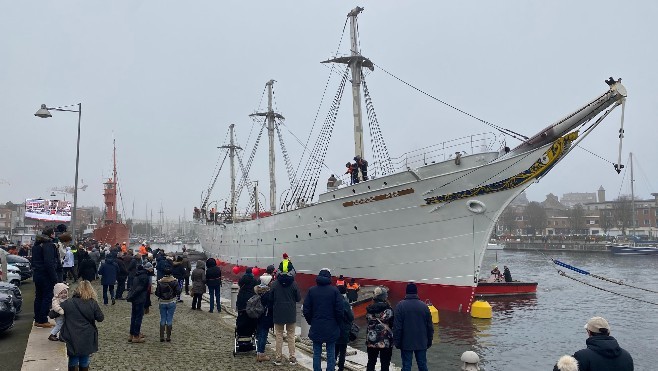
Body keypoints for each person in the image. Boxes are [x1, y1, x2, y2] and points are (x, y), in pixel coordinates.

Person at [303, 268, 343, 371]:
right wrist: (338, 323)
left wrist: (311, 321)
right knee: (331, 352)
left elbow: (306, 310)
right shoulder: (335, 291)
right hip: (331, 326)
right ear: (329, 278)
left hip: (316, 325)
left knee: (316, 352)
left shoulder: (312, 290)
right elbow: (339, 310)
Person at [59, 280, 104, 371]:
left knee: (73, 358)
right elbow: (100, 318)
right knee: (84, 358)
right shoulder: (92, 303)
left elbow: (52, 314)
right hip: (87, 335)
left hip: (71, 334)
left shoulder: (68, 303)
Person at [393, 282, 434, 371]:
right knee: (422, 365)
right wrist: (429, 341)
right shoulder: (424, 306)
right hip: (421, 341)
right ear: (416, 292)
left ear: (406, 292)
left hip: (406, 342)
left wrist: (397, 342)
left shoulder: (400, 306)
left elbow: (397, 327)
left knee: (406, 366)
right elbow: (430, 326)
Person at [270, 272, 301, 366]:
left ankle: (278, 358)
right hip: (290, 313)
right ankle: (292, 358)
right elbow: (298, 298)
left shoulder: (274, 284)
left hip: (278, 312)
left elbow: (271, 298)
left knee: (279, 335)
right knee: (291, 335)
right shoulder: (294, 283)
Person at [31, 228, 60, 328]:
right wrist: (54, 277)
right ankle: (43, 319)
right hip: (46, 275)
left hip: (37, 274)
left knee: (39, 297)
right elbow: (49, 263)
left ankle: (37, 319)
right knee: (47, 297)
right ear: (51, 234)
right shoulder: (48, 245)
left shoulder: (36, 245)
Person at [366, 287, 394, 371]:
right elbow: (392, 323)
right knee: (385, 364)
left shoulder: (369, 309)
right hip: (385, 340)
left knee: (371, 362)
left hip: (371, 340)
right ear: (384, 297)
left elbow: (368, 321)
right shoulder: (388, 309)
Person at [155, 267, 181, 342]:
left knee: (163, 318)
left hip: (162, 302)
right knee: (169, 318)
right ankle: (168, 337)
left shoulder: (160, 282)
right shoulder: (175, 281)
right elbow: (178, 291)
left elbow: (157, 293)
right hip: (171, 301)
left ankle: (161, 336)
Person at [126, 265, 149, 343]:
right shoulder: (144, 277)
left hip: (135, 299)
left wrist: (131, 296)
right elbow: (140, 288)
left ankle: (131, 334)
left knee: (134, 316)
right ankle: (136, 335)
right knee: (138, 317)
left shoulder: (136, 275)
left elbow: (133, 287)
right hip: (140, 298)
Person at [255, 273, 274, 362]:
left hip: (258, 316)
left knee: (259, 335)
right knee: (264, 335)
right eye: (270, 281)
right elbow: (270, 306)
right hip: (265, 316)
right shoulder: (268, 293)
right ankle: (261, 354)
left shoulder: (258, 290)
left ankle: (258, 353)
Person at [335, 285, 355, 371]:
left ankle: (331, 366)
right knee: (342, 351)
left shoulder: (333, 302)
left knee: (334, 350)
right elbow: (351, 317)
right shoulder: (345, 303)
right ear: (344, 293)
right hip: (343, 330)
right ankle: (340, 368)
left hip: (334, 329)